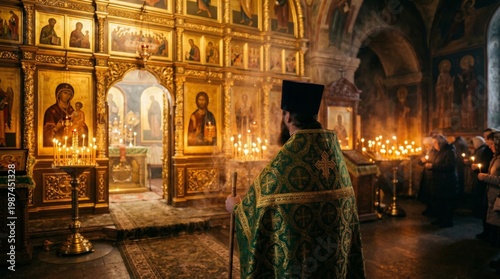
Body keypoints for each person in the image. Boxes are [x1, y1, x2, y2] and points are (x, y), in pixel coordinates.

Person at [225, 80, 365, 278]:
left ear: (288, 116)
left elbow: (258, 213)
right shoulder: (332, 154)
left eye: (283, 114)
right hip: (332, 263)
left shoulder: (287, 160)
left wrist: (237, 208)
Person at [424, 134, 459, 228]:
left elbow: (449, 166)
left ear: (440, 142)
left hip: (447, 181)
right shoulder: (437, 152)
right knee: (439, 201)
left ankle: (447, 221)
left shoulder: (449, 151)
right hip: (438, 180)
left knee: (446, 202)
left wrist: (433, 167)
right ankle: (439, 218)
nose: (433, 144)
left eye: (435, 142)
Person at [478, 131, 500, 273]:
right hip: (493, 197)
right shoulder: (496, 157)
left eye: (493, 144)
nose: (490, 146)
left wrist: (485, 177)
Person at [468, 135, 494, 239]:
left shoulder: (488, 153)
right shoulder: (488, 152)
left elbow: (488, 168)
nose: (488, 144)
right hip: (485, 182)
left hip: (489, 184)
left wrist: (484, 175)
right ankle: (487, 231)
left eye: (491, 142)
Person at [435, 59, 454, 129]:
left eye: (446, 67)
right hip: (442, 96)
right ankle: (441, 124)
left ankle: (447, 124)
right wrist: (442, 87)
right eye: (444, 67)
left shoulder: (449, 76)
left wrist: (450, 88)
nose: (445, 68)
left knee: (447, 110)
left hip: (447, 96)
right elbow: (437, 86)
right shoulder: (440, 76)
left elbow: (451, 86)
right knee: (442, 110)